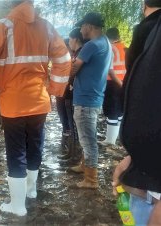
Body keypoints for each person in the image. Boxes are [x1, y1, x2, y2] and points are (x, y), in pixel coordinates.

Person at [0, 0, 71, 216]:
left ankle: (18, 206)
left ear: (12, 3)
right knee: (35, 145)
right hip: (39, 101)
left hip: (12, 103)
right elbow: (64, 59)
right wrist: (55, 88)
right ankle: (31, 192)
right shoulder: (46, 26)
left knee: (16, 151)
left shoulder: (3, 26)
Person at [112, 1, 161, 224]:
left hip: (153, 193)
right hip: (144, 180)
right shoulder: (152, 29)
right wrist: (135, 158)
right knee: (129, 218)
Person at [69, 12, 113, 189]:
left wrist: (62, 78)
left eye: (82, 26)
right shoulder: (106, 43)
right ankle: (84, 166)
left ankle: (91, 180)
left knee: (88, 140)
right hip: (93, 97)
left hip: (86, 99)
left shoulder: (91, 45)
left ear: (90, 26)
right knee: (88, 136)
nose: (81, 30)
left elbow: (74, 68)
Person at [58, 28, 85, 167]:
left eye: (70, 39)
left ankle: (75, 156)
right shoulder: (75, 54)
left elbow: (73, 73)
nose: (69, 42)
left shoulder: (80, 54)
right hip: (67, 93)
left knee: (74, 126)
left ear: (76, 39)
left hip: (73, 93)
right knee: (70, 123)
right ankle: (71, 152)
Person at [99, 28, 126, 147]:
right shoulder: (125, 48)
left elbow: (109, 70)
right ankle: (118, 136)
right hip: (123, 82)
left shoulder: (110, 49)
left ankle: (110, 140)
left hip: (112, 83)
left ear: (108, 37)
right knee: (119, 110)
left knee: (112, 110)